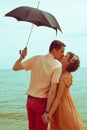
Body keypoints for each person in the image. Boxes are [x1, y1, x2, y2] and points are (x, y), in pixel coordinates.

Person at [13, 40, 66, 130]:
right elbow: (52, 91)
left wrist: (22, 56)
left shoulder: (36, 58)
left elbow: (15, 67)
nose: (63, 54)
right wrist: (47, 111)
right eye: (61, 51)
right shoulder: (57, 66)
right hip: (41, 103)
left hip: (29, 101)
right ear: (54, 50)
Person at [42, 52, 85, 130]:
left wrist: (49, 114)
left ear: (68, 62)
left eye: (65, 56)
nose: (63, 56)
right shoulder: (65, 74)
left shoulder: (64, 76)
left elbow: (58, 98)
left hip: (62, 108)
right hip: (66, 104)